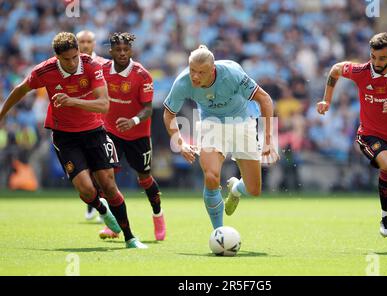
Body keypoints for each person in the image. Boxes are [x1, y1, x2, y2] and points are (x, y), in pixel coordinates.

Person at [0, 32, 147, 249]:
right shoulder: (44, 71)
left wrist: (72, 101)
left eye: (74, 57)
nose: (72, 62)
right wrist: (2, 115)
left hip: (95, 132)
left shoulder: (90, 65)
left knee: (108, 184)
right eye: (66, 59)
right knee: (86, 190)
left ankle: (130, 237)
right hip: (65, 136)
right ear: (56, 57)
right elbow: (20, 90)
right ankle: (103, 210)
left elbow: (104, 105)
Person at [316, 32, 387, 251]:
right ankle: (386, 216)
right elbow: (335, 69)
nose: (377, 63)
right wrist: (327, 99)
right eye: (373, 57)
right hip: (370, 135)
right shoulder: (362, 71)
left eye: (382, 58)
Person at [163, 45, 279, 230]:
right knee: (211, 176)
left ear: (213, 69)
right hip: (211, 123)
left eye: (201, 72)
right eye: (192, 70)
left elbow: (265, 99)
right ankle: (219, 232)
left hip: (243, 121)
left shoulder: (232, 75)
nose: (195, 76)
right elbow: (169, 114)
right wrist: (181, 143)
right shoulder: (183, 82)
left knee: (254, 190)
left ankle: (235, 189)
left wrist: (268, 141)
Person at [97, 32, 166, 241]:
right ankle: (115, 225)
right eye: (117, 50)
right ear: (110, 51)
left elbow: (148, 109)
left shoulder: (142, 75)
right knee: (106, 179)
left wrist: (132, 121)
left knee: (144, 178)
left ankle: (158, 216)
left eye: (126, 49)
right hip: (110, 131)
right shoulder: (101, 72)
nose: (122, 53)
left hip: (138, 134)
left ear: (131, 51)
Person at [76, 30, 109, 222]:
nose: (86, 45)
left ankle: (101, 205)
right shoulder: (70, 65)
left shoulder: (103, 64)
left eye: (89, 41)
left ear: (94, 43)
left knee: (101, 166)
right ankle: (93, 204)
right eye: (82, 41)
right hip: (79, 121)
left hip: (100, 121)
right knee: (85, 167)